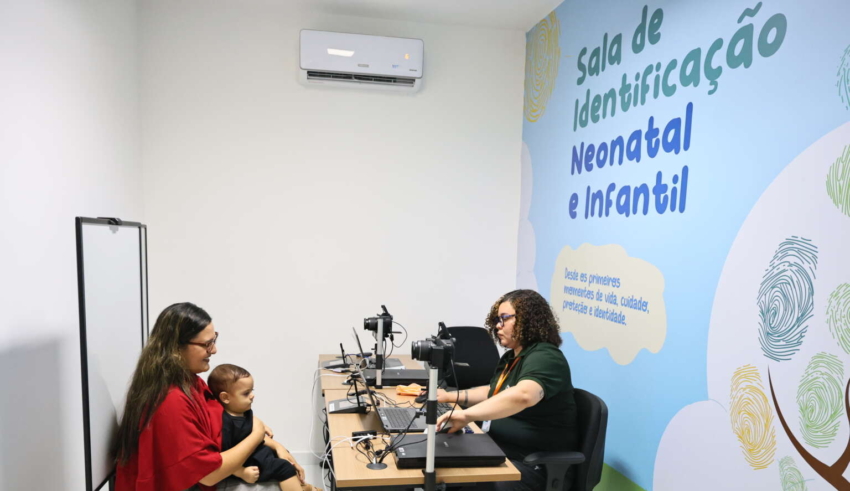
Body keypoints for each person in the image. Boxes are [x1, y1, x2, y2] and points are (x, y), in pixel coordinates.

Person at [114, 302, 269, 491]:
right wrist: (257, 433)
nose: (214, 350)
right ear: (176, 348)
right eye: (206, 344)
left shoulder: (190, 381)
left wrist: (270, 442)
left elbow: (221, 417)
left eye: (214, 340)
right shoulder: (170, 400)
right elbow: (209, 474)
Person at [435, 289, 578, 491]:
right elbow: (495, 391)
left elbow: (524, 395)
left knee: (455, 480)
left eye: (504, 318)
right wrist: (449, 396)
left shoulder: (546, 357)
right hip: (501, 449)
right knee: (440, 463)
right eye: (497, 320)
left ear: (528, 319)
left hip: (534, 465)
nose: (498, 325)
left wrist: (467, 415)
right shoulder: (513, 357)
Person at [208, 364, 322, 491]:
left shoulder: (243, 411)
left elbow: (251, 433)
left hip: (257, 454)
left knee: (284, 457)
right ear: (225, 397)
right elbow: (224, 456)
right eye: (246, 393)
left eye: (252, 391)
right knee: (284, 468)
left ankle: (303, 487)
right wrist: (242, 472)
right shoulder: (226, 423)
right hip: (249, 465)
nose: (252, 395)